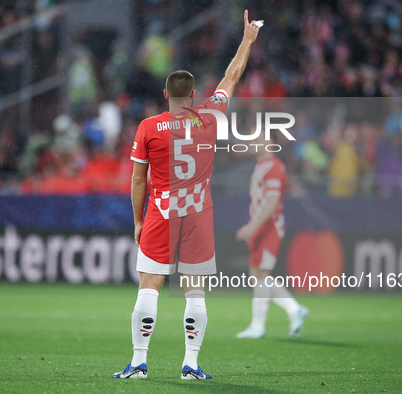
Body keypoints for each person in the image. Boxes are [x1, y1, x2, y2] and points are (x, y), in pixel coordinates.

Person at [112, 10, 262, 380]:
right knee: (196, 292)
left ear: (166, 94)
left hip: (161, 213)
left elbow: (137, 181)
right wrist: (246, 41)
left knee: (150, 286)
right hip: (197, 214)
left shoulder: (148, 127)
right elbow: (232, 76)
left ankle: (139, 362)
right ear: (194, 95)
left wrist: (137, 220)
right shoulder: (209, 116)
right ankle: (191, 365)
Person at [235, 136, 308, 339]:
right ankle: (268, 320)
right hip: (261, 228)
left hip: (269, 228)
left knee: (262, 275)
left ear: (267, 142)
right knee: (257, 276)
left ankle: (285, 313)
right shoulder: (261, 166)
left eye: (254, 139)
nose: (250, 144)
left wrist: (252, 227)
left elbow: (272, 203)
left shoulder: (274, 166)